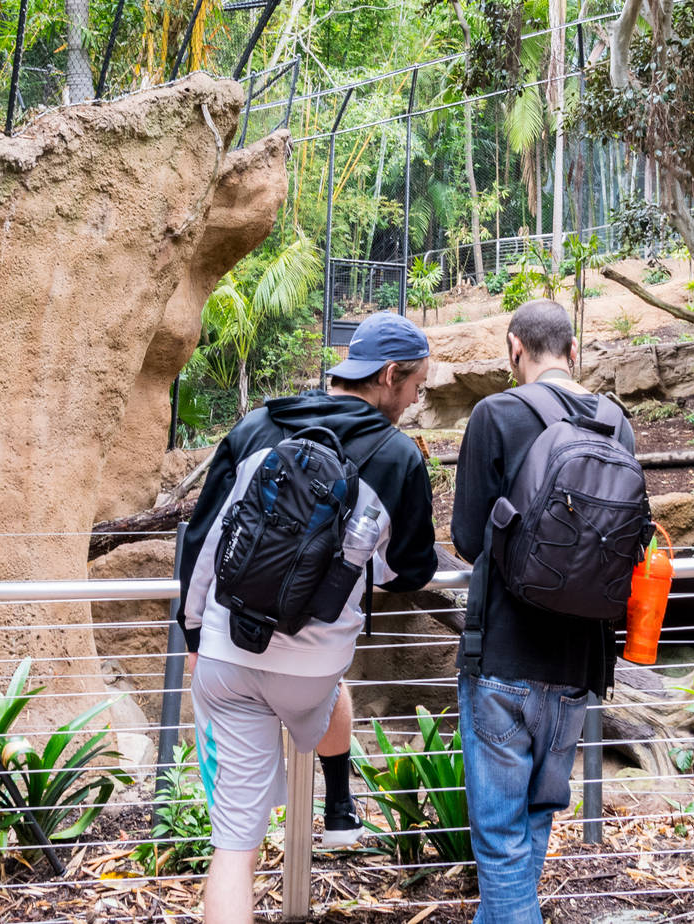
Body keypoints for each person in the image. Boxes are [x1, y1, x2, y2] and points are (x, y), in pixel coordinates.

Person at [178, 312, 439, 924]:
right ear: (390, 375)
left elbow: (200, 541)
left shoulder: (258, 425)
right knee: (324, 704)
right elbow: (411, 569)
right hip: (313, 663)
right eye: (415, 387)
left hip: (225, 650)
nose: (414, 400)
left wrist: (193, 633)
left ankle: (332, 808)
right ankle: (340, 806)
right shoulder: (398, 456)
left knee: (233, 850)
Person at [452, 299, 637, 924]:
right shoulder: (617, 422)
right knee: (531, 828)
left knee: (499, 845)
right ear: (573, 352)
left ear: (514, 349)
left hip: (502, 654)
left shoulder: (494, 415)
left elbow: (469, 537)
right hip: (579, 665)